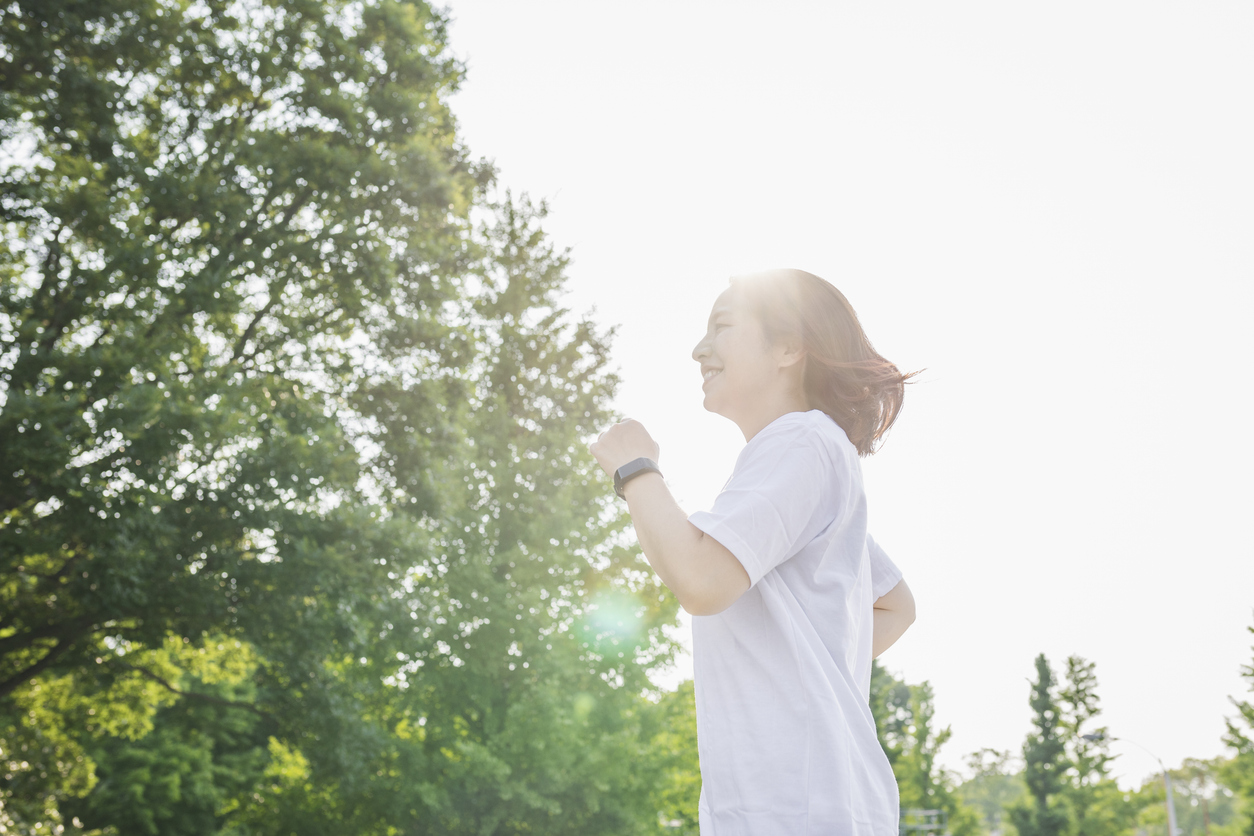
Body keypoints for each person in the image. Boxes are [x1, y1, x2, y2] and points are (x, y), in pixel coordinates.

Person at [588, 268, 917, 835]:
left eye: (721, 327)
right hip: (801, 807)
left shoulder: (802, 441)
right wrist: (799, 673)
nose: (699, 349)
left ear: (790, 347)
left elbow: (702, 579)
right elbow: (895, 605)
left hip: (798, 810)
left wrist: (634, 467)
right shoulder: (803, 463)